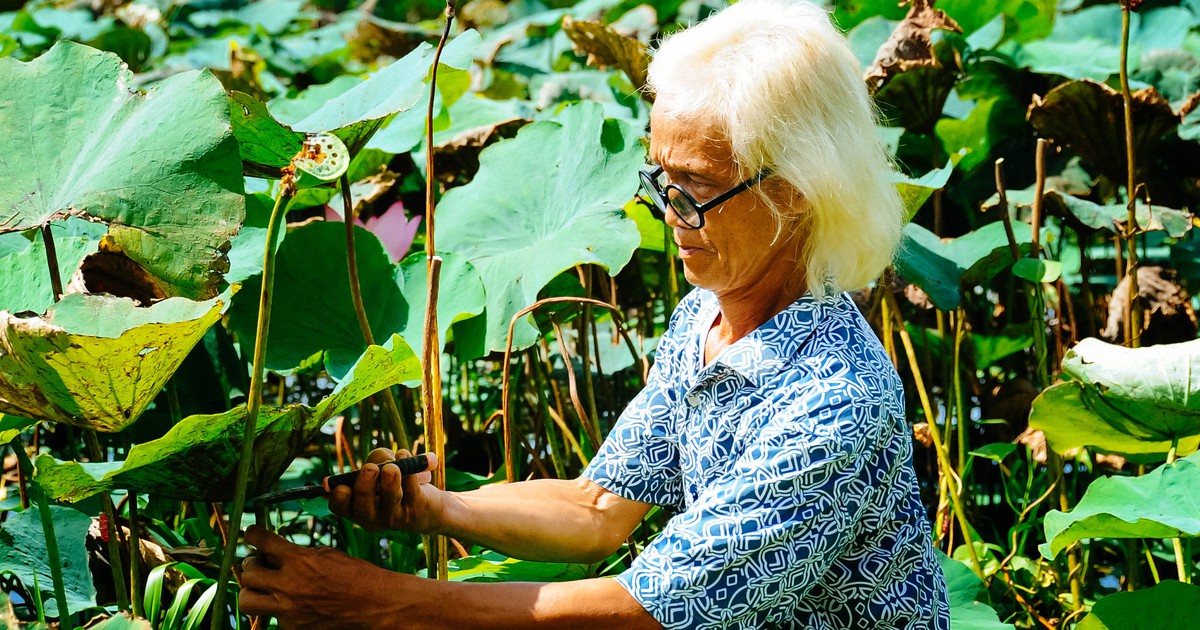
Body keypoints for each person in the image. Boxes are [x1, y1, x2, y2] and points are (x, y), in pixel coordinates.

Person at [239, 0, 950, 627]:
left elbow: (646, 611)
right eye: (658, 178)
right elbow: (596, 509)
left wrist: (383, 603)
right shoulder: (706, 314)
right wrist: (440, 507)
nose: (668, 213)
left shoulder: (833, 405)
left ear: (795, 191)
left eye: (694, 188)